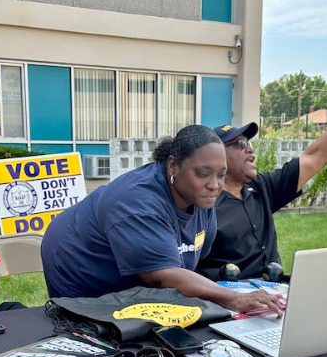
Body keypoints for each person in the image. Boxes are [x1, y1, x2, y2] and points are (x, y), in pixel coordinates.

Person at [41, 124, 284, 316]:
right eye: (203, 173)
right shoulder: (137, 202)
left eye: (221, 175)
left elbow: (191, 262)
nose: (214, 185)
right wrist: (232, 297)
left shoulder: (200, 196)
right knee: (108, 330)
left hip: (133, 275)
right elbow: (162, 277)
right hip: (79, 266)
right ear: (173, 166)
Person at [197, 75, 327, 280]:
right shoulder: (202, 206)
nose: (250, 151)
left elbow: (315, 156)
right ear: (217, 156)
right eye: (241, 145)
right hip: (231, 302)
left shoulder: (262, 187)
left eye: (250, 144)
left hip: (274, 294)